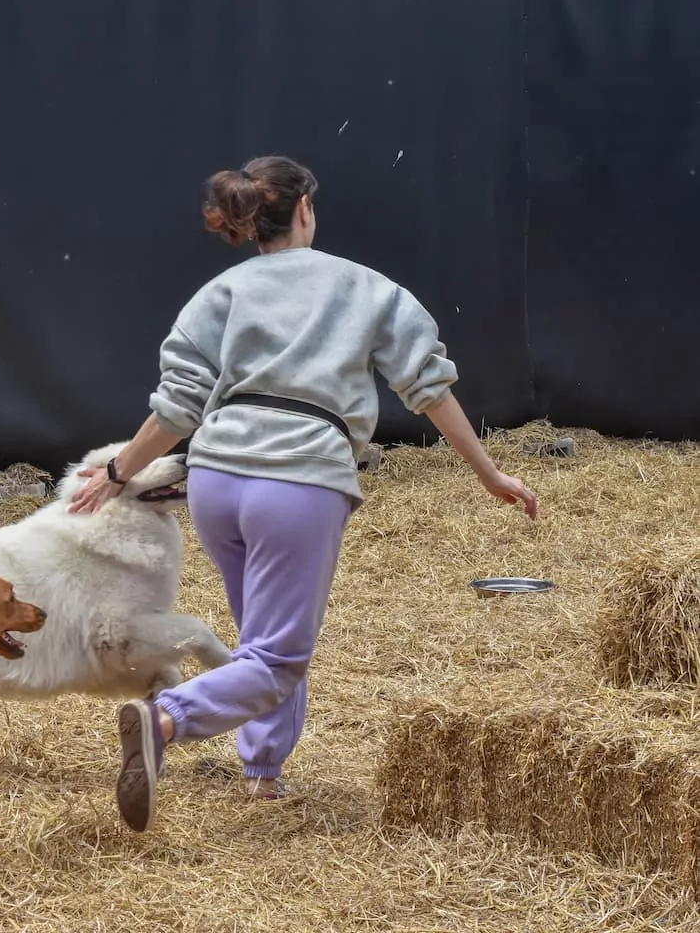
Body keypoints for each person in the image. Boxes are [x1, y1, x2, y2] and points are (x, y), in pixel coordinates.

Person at [67, 154, 538, 831]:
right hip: (299, 479)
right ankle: (166, 718)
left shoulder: (219, 295)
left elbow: (177, 408)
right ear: (307, 208)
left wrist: (117, 475)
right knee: (280, 655)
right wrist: (490, 473)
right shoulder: (366, 289)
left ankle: (263, 775)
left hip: (218, 479)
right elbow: (430, 389)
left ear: (250, 219)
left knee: (260, 639)